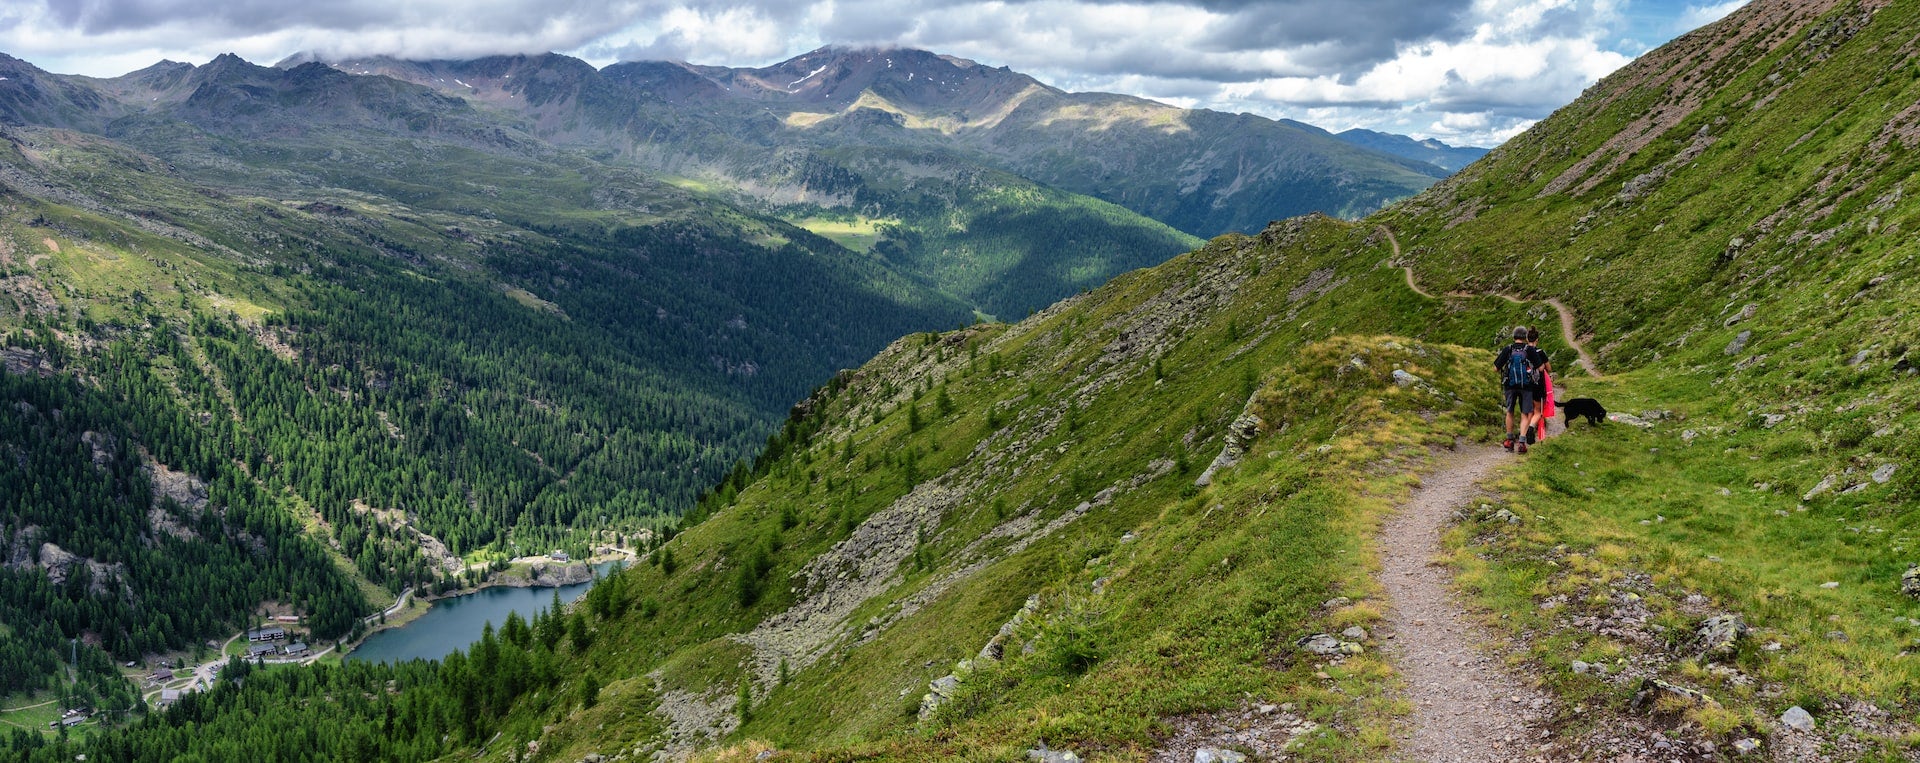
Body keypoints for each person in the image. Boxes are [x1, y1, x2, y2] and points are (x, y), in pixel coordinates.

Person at [1494, 326, 1548, 454]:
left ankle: (1509, 440)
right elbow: (1541, 368)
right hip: (1527, 387)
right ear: (1525, 337)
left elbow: (1495, 368)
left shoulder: (1508, 349)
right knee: (1525, 413)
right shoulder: (1529, 349)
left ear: (1514, 337)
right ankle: (1522, 443)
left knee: (1510, 411)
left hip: (1510, 386)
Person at [1528, 326, 1554, 443]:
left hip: (1524, 385)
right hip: (1538, 385)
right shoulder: (1540, 352)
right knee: (1538, 411)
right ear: (1537, 340)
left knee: (1528, 410)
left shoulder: (1523, 352)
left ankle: (1525, 432)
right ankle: (1531, 428)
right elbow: (1549, 368)